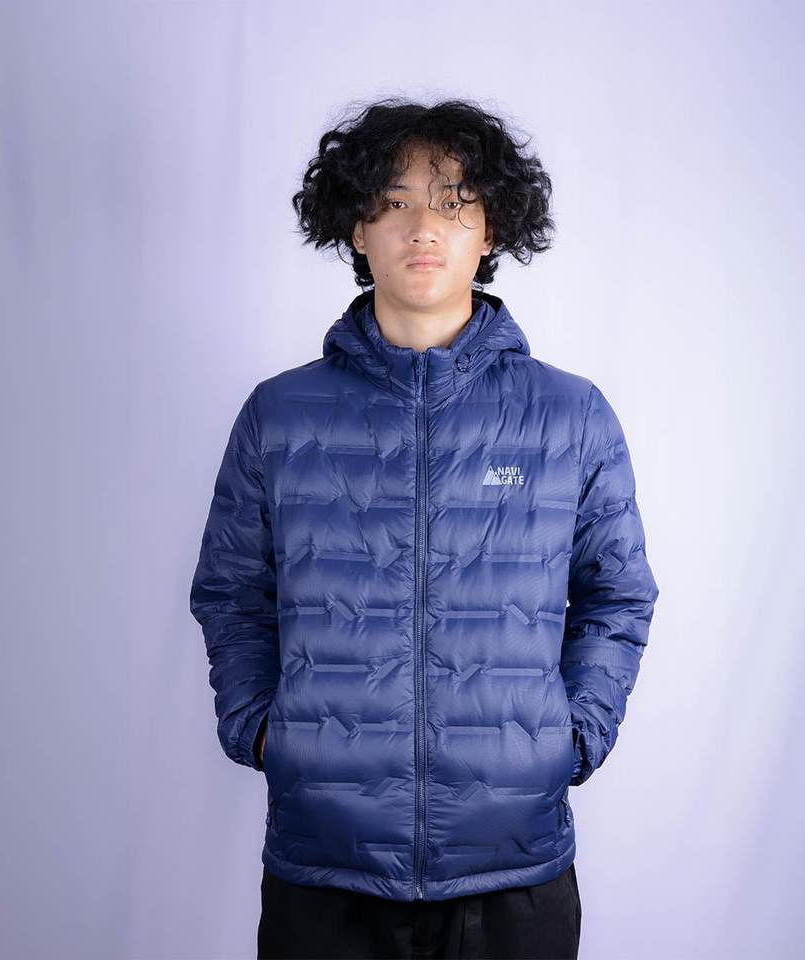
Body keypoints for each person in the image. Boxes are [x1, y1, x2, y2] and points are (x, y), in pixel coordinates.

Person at [189, 97, 659, 960]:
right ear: (356, 229)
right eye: (395, 201)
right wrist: (262, 730)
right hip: (324, 866)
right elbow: (231, 593)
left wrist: (570, 738)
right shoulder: (280, 415)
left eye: (454, 202)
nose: (424, 228)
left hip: (512, 869)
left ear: (492, 231)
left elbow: (617, 596)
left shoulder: (570, 416)